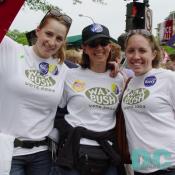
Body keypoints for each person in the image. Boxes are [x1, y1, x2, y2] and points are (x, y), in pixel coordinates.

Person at [0, 8, 72, 175]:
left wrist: (113, 70)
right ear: (38, 31)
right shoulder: (9, 50)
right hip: (8, 153)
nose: (52, 42)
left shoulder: (65, 70)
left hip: (42, 155)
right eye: (48, 34)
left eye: (59, 38)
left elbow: (90, 76)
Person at [54, 23, 125, 175]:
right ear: (84, 48)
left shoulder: (119, 78)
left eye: (104, 43)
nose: (99, 48)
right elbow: (57, 109)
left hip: (107, 151)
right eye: (93, 44)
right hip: (75, 150)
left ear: (110, 47)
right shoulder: (70, 75)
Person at [122, 29, 175, 175]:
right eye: (131, 50)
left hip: (168, 167)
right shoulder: (129, 83)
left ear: (153, 53)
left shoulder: (169, 78)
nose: (136, 56)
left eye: (142, 50)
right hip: (140, 168)